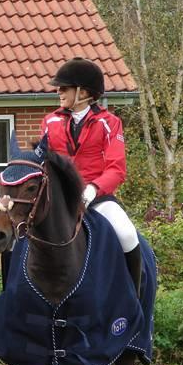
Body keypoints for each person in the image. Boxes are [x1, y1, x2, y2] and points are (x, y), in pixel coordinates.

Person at [41, 57, 142, 297]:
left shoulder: (110, 123)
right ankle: (12, 295)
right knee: (17, 236)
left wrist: (93, 189)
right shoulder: (49, 122)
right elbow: (42, 163)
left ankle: (133, 298)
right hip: (59, 200)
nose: (59, 92)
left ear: (83, 92)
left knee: (127, 234)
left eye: (64, 88)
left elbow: (117, 168)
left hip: (97, 198)